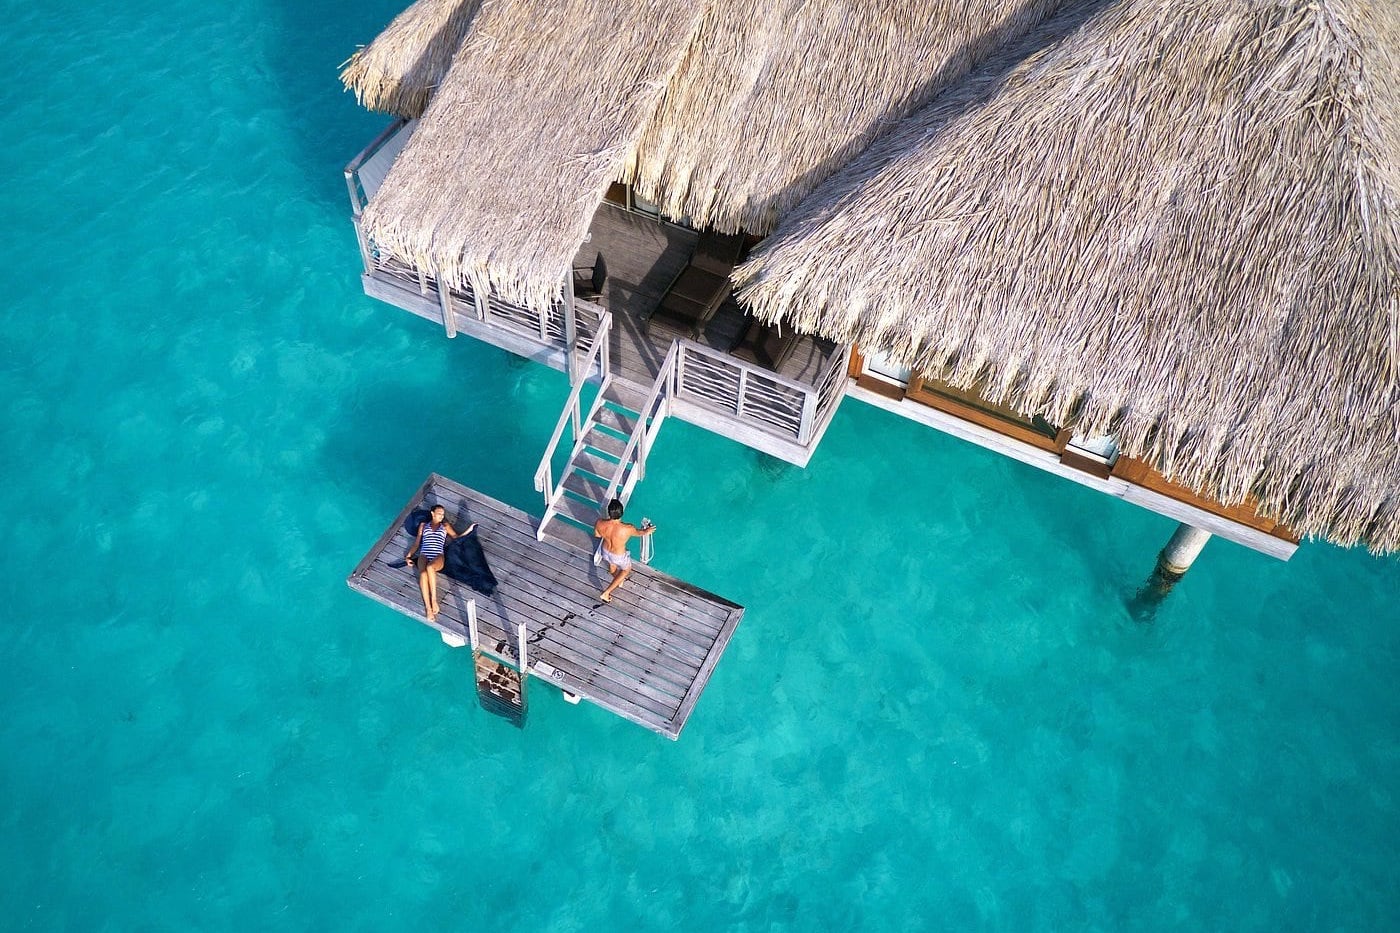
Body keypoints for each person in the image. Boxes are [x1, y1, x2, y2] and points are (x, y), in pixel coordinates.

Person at [405, 504, 476, 622]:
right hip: (424, 554)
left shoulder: (445, 526)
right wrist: (408, 557)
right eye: (439, 514)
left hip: (438, 555)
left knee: (430, 568)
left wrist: (469, 530)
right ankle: (428, 608)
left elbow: (456, 539)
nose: (441, 516)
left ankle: (434, 600)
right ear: (432, 514)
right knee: (423, 574)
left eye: (443, 514)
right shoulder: (423, 526)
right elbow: (417, 544)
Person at [592, 498, 655, 602]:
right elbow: (640, 533)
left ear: (609, 512)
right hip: (618, 555)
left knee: (612, 566)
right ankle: (607, 592)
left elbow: (597, 535)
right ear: (621, 513)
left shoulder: (599, 522)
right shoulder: (628, 528)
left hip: (605, 551)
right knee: (626, 570)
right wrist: (647, 530)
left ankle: (618, 580)